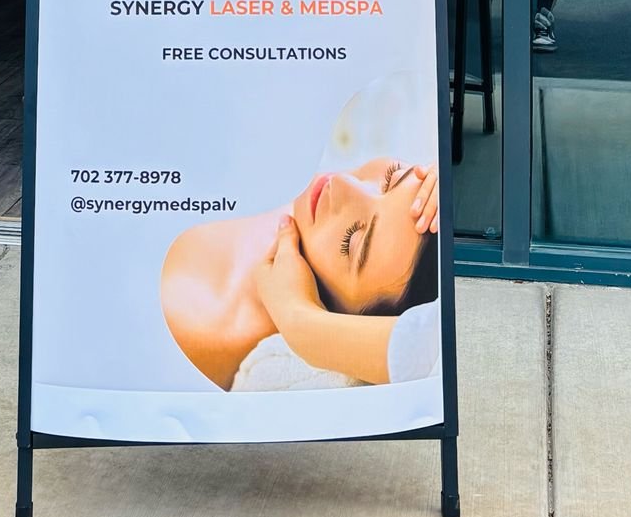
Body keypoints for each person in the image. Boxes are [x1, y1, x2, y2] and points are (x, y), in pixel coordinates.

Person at [160, 158, 440, 390]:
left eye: (351, 239)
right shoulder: (292, 173)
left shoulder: (201, 326)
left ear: (344, 321)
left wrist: (300, 319)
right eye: (393, 177)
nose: (343, 183)